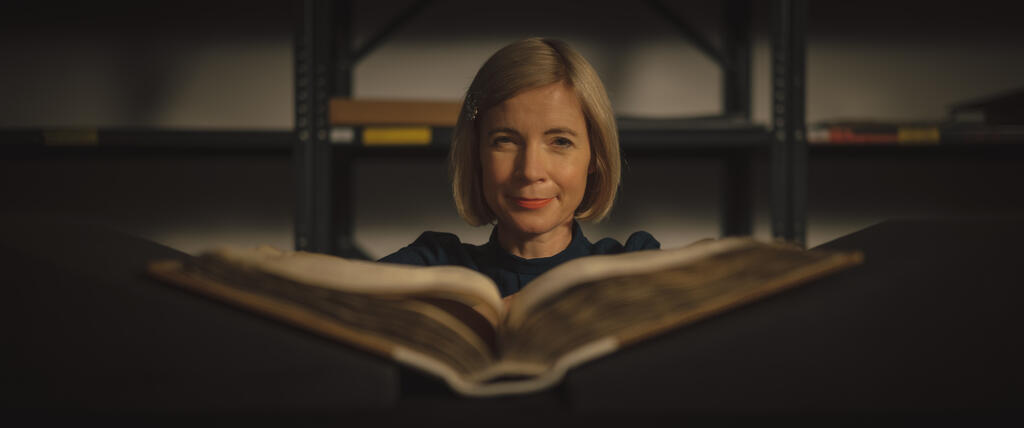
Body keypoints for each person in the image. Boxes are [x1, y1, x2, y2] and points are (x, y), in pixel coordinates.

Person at [379, 37, 659, 297]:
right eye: (505, 141)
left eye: (560, 141)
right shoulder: (431, 266)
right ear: (476, 155)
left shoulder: (634, 267)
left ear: (595, 158)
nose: (530, 171)